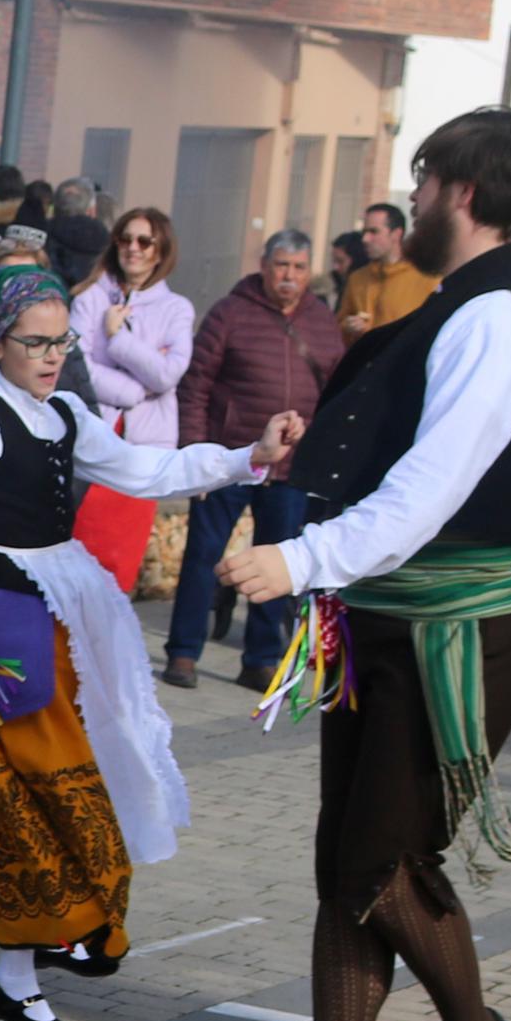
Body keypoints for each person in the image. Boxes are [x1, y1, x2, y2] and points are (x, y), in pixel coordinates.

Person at [208, 108, 511, 1021]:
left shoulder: (498, 317)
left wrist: (302, 559)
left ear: (464, 191)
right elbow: (398, 454)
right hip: (390, 617)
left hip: (456, 627)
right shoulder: (455, 304)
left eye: (423, 180)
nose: (411, 198)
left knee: (381, 863)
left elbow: (431, 485)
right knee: (345, 860)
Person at [0, 264, 294, 1021]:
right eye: (34, 342)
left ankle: (23, 970)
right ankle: (50, 944)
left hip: (59, 610)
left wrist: (249, 453)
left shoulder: (67, 413)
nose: (50, 355)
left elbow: (150, 469)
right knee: (26, 792)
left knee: (76, 774)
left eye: (60, 341)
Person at [162, 231, 340, 692]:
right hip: (231, 459)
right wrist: (195, 453)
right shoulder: (230, 312)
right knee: (203, 557)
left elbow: (334, 392)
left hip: (290, 468)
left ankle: (260, 658)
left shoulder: (322, 321)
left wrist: (317, 446)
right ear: (264, 266)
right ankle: (184, 652)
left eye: (299, 267)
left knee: (277, 562)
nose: (289, 276)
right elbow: (196, 385)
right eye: (282, 265)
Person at [337, 200, 434, 338]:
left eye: (373, 232)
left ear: (396, 234)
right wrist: (348, 327)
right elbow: (338, 328)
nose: (365, 239)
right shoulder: (357, 279)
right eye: (364, 232)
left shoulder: (427, 279)